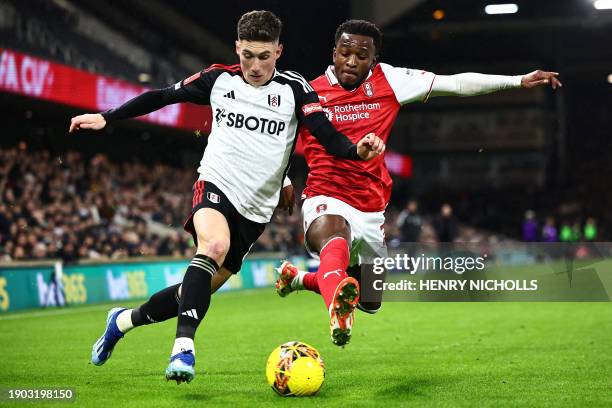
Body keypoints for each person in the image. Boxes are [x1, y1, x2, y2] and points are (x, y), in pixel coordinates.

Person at [70, 11, 384, 384]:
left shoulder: (295, 89)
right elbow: (162, 96)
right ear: (237, 47)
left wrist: (355, 152)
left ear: (278, 51)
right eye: (247, 54)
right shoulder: (218, 79)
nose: (254, 65)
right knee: (213, 245)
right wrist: (109, 117)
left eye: (264, 56)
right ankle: (183, 348)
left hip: (255, 211)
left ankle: (121, 321)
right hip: (216, 184)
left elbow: (324, 134)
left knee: (194, 289)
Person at [274, 19, 562, 346]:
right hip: (325, 194)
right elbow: (279, 140)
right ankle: (337, 312)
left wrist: (517, 81)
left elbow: (455, 84)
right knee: (333, 238)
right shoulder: (309, 93)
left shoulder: (391, 80)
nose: (351, 61)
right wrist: (283, 179)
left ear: (373, 60)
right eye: (345, 53)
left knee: (370, 301)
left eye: (361, 55)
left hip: (370, 206)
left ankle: (297, 278)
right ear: (334, 53)